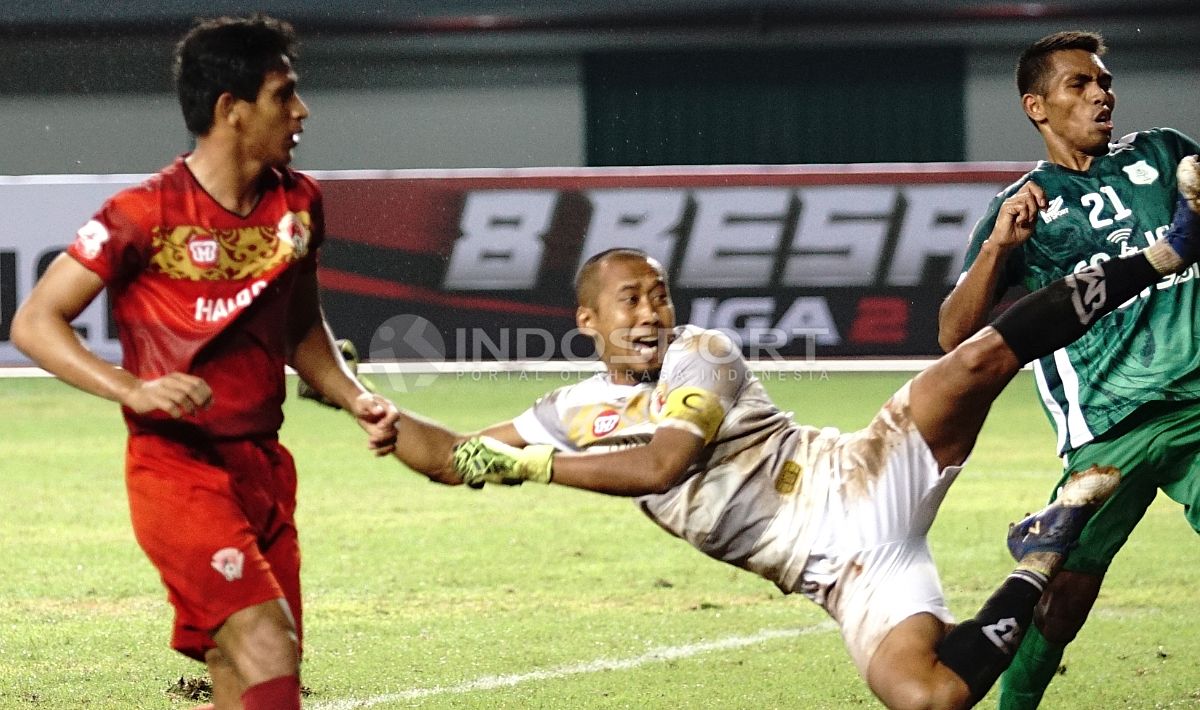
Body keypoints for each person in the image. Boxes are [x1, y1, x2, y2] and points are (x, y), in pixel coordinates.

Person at [384, 192, 1199, 709]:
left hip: (863, 469)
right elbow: (452, 455)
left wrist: (534, 465)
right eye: (630, 298)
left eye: (659, 293)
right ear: (588, 321)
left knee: (980, 357)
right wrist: (371, 410)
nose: (651, 312)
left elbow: (665, 463)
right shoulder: (566, 411)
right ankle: (1037, 558)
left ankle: (1167, 251)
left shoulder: (700, 352)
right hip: (841, 573)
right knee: (932, 697)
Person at [11, 15, 399, 710]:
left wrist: (354, 396)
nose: (302, 112)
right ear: (231, 108)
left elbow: (302, 329)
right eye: (285, 94)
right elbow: (36, 321)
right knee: (269, 647)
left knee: (236, 664)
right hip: (177, 469)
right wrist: (133, 389)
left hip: (265, 469)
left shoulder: (299, 203)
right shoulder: (144, 213)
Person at [937, 30, 1200, 709]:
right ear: (1037, 106)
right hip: (1108, 427)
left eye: (1104, 82)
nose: (1101, 94)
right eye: (1079, 85)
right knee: (1061, 602)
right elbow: (953, 334)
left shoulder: (1164, 153)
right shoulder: (1026, 204)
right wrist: (999, 249)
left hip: (1198, 404)